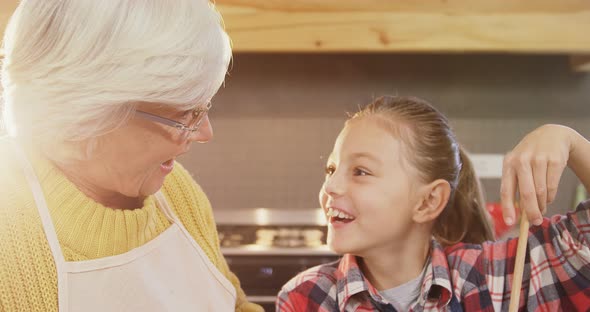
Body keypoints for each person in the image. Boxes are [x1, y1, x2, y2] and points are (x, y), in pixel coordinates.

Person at [0, 1, 262, 311]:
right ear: (87, 117)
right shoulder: (11, 233)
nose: (205, 133)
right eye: (187, 114)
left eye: (202, 107)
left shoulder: (174, 190)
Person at [276, 96, 590, 311]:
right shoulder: (307, 297)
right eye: (331, 169)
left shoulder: (499, 277)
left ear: (428, 201)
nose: (330, 186)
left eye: (360, 171)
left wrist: (568, 141)